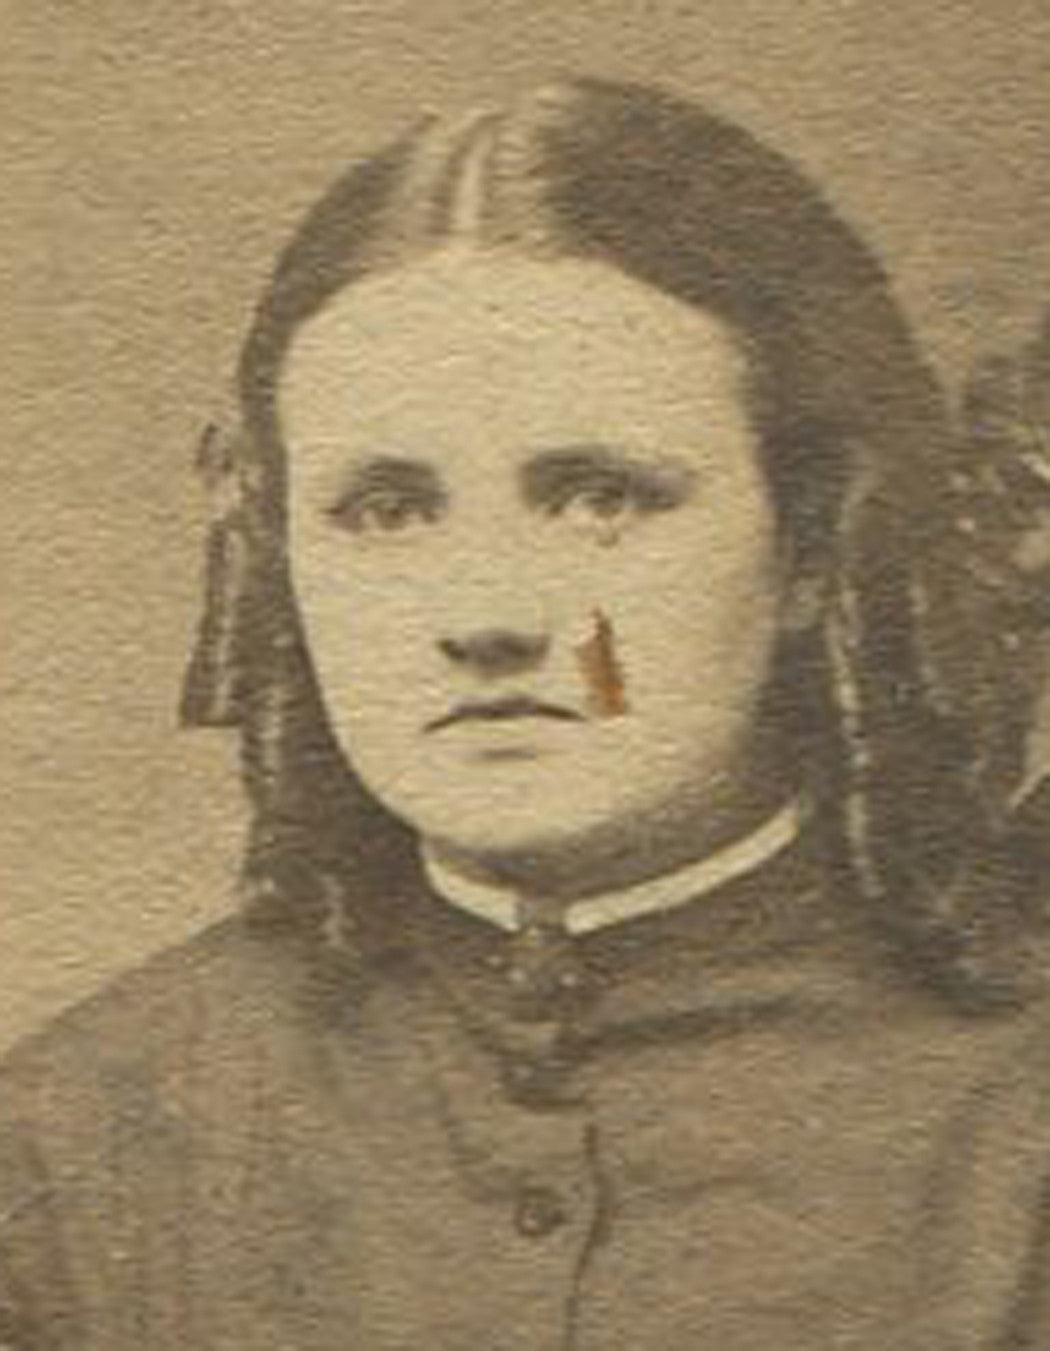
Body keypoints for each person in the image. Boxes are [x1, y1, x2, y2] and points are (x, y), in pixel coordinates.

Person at [1, 76, 1048, 1350]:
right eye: (385, 509)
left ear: (812, 546)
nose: (486, 612)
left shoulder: (1018, 1120)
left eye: (601, 493)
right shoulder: (84, 1135)